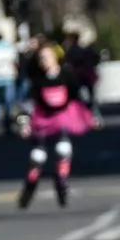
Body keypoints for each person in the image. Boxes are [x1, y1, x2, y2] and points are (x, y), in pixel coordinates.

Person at [15, 44, 94, 209]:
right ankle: (29, 189)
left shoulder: (66, 75)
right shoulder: (37, 81)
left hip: (63, 118)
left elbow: (81, 95)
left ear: (56, 57)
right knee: (38, 156)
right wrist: (24, 124)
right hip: (43, 120)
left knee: (63, 149)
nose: (45, 61)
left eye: (48, 57)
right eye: (41, 58)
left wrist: (92, 114)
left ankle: (61, 183)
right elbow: (27, 106)